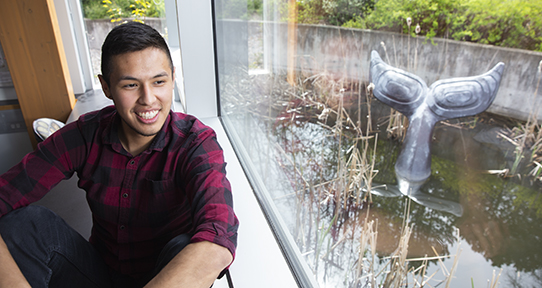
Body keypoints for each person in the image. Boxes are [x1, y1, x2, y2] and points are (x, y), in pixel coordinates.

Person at [0, 22, 238, 288]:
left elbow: (219, 234)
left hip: (168, 276)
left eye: (159, 81)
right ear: (106, 87)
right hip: (100, 273)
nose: (148, 99)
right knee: (27, 224)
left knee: (186, 245)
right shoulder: (83, 135)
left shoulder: (195, 142)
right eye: (130, 85)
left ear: (172, 78)